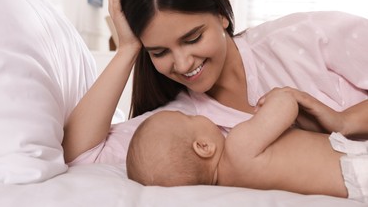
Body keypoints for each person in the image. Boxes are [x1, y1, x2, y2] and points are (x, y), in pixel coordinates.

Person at [62, 0, 368, 175]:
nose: (182, 64)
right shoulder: (183, 126)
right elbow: (80, 156)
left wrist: (345, 121)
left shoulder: (302, 38)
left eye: (192, 38)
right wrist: (127, 48)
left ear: (221, 15)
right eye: (159, 52)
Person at [126, 87, 368, 203]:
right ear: (203, 146)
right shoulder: (237, 147)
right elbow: (286, 105)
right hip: (356, 166)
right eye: (189, 118)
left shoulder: (234, 183)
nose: (198, 116)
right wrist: (277, 97)